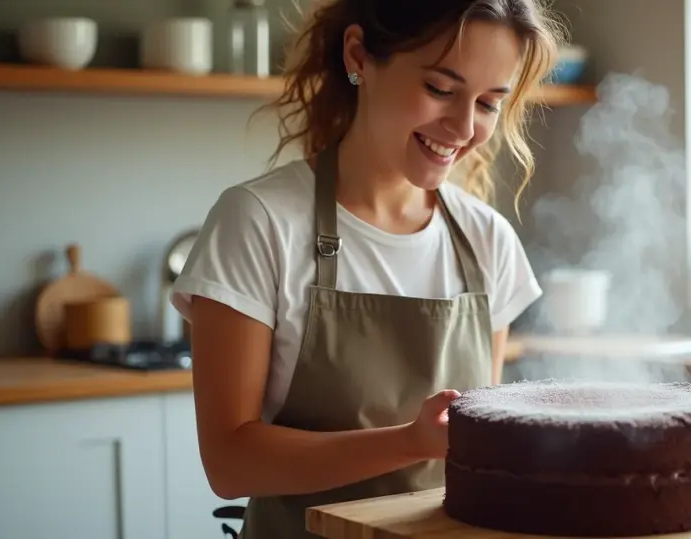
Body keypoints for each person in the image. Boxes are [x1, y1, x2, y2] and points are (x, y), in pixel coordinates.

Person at [170, 0, 564, 537]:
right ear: (358, 56)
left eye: (489, 103)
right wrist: (408, 442)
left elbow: (473, 454)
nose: (463, 126)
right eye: (440, 89)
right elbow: (229, 462)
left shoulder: (486, 239)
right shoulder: (258, 221)